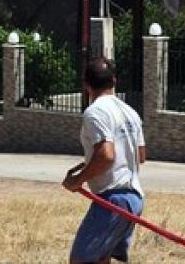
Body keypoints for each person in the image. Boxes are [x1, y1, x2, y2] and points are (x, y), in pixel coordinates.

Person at [62, 58, 146, 264]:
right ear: (114, 81)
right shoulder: (130, 112)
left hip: (113, 199)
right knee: (100, 259)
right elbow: (140, 155)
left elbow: (107, 155)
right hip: (134, 198)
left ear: (86, 85)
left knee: (81, 260)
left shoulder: (95, 112)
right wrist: (89, 163)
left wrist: (78, 180)